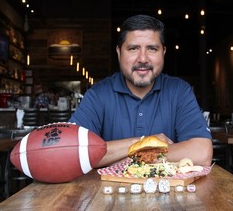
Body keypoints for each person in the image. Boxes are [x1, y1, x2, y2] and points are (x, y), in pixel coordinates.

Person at [69, 14, 213, 167]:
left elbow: (202, 153)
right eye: (133, 48)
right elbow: (71, 152)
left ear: (163, 52)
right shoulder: (98, 95)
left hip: (169, 190)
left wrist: (120, 157)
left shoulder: (179, 91)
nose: (143, 59)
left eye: (152, 48)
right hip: (110, 190)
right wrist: (142, 143)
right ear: (119, 53)